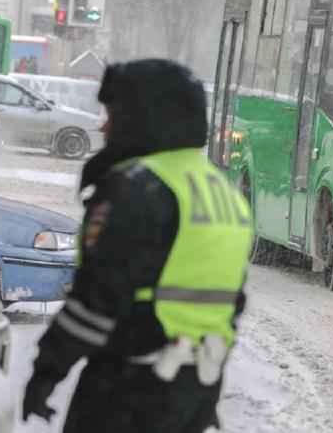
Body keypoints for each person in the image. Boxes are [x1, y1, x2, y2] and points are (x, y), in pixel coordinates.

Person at [23, 59, 254, 432]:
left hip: (129, 391)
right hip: (197, 388)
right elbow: (231, 302)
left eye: (113, 114)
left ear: (143, 117)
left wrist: (47, 371)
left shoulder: (139, 188)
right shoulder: (224, 195)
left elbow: (99, 297)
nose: (104, 126)